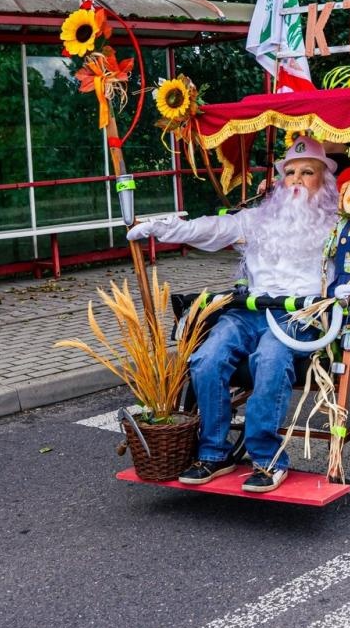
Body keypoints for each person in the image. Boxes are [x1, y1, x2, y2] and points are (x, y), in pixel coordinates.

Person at [126, 137, 338, 494]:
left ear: (324, 179)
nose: (297, 180)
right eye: (290, 173)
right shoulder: (259, 218)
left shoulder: (336, 222)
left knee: (269, 359)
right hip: (249, 311)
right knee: (205, 358)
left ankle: (268, 458)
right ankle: (214, 453)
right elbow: (211, 228)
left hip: (299, 314)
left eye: (307, 172)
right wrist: (160, 228)